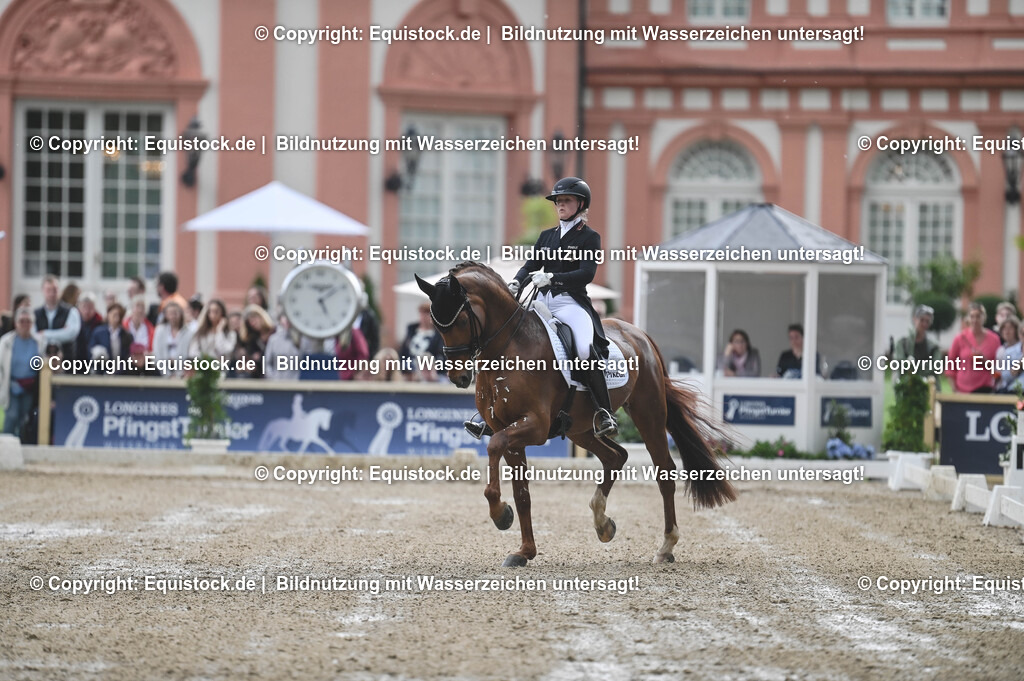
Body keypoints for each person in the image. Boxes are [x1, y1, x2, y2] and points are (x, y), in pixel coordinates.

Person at [510, 175, 616, 437]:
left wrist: (553, 277)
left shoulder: (589, 237)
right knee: (510, 337)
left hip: (570, 303)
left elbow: (587, 273)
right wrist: (516, 283)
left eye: (566, 200)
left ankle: (604, 412)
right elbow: (531, 266)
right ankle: (492, 410)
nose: (560, 205)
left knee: (582, 347)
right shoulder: (546, 236)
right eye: (557, 201)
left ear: (580, 204)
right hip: (541, 302)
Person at [0, 308, 41, 437]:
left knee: (24, 419)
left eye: (28, 321)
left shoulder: (39, 342)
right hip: (11, 386)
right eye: (22, 321)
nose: (25, 324)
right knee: (11, 416)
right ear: (16, 323)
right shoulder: (6, 341)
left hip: (30, 387)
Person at [947, 302, 1001, 393]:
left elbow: (999, 369)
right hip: (963, 390)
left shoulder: (994, 339)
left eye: (978, 316)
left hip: (985, 389)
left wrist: (985, 362)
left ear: (984, 317)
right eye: (972, 316)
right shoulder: (960, 338)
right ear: (968, 318)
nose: (975, 320)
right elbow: (950, 366)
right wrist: (955, 390)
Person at [34, 275, 81, 361]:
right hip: (41, 364)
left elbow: (70, 334)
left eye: (55, 290)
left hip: (67, 364)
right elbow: (33, 337)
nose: (52, 293)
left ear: (60, 291)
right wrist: (61, 332)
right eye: (48, 290)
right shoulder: (35, 314)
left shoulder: (71, 311)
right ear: (42, 291)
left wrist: (44, 334)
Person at [400, 301, 444, 382]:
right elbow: (404, 352)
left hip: (429, 373)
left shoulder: (438, 335)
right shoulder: (412, 330)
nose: (424, 317)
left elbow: (440, 356)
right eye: (422, 313)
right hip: (410, 372)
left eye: (427, 314)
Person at [188, 299, 237, 364]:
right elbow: (193, 352)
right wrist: (205, 359)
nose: (213, 315)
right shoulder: (201, 331)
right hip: (204, 367)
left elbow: (224, 351)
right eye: (210, 311)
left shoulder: (230, 333)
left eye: (216, 312)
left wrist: (219, 331)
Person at [152, 302, 193, 377]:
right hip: (162, 371)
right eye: (170, 313)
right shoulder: (160, 330)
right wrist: (166, 373)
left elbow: (190, 355)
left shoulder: (189, 332)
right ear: (166, 315)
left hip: (182, 372)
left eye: (175, 313)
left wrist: (180, 373)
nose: (173, 316)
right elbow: (157, 353)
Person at [89, 303, 133, 370]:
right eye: (114, 315)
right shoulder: (98, 333)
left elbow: (127, 356)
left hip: (120, 373)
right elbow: (91, 351)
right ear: (108, 314)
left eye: (119, 315)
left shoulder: (126, 335)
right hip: (101, 371)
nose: (116, 318)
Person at [236, 304, 275, 378]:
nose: (253, 323)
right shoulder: (252, 340)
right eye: (250, 322)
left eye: (254, 319)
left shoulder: (274, 333)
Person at [264, 311, 302, 381]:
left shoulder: (301, 338)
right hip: (277, 383)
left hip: (296, 383)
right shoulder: (273, 339)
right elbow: (267, 363)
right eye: (285, 317)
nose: (287, 320)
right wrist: (272, 378)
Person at [994, 315, 1022, 393]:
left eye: (1010, 328)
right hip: (1005, 388)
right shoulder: (1001, 350)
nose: (1007, 331)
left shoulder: (1020, 348)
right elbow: (1001, 373)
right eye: (1004, 328)